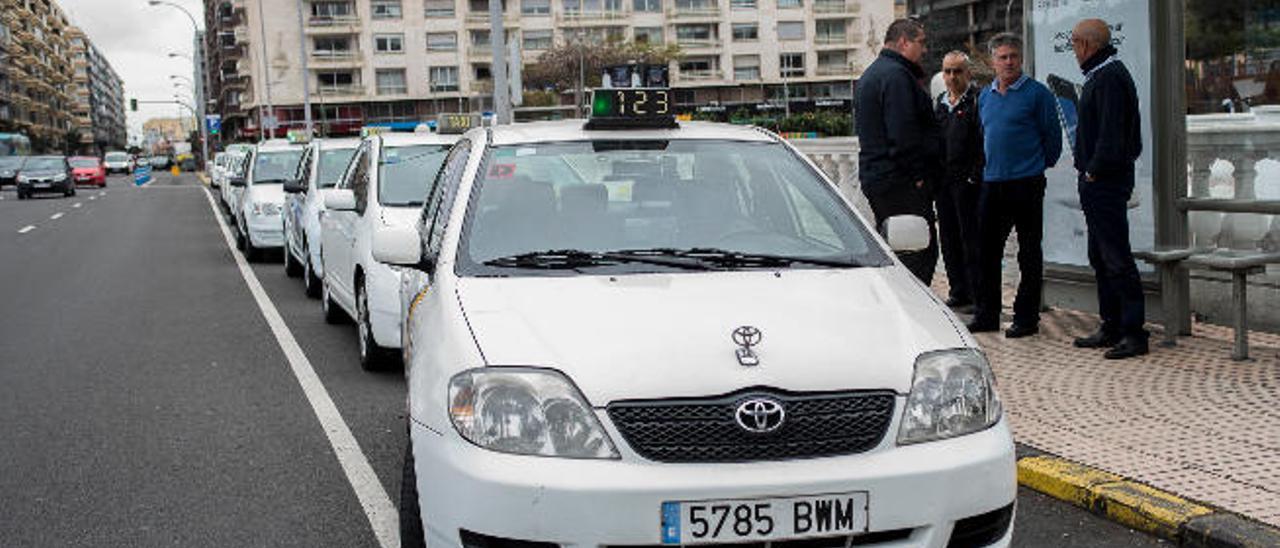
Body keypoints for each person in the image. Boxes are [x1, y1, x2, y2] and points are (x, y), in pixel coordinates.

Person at [970, 32, 1062, 338]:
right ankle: (987, 315)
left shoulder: (1038, 94)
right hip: (992, 184)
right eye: (1002, 57)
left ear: (1021, 59)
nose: (1009, 62)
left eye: (1013, 56)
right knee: (986, 252)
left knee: (1028, 254)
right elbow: (983, 136)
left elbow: (1053, 140)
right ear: (993, 61)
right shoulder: (985, 95)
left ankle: (1026, 319)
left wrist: (1034, 167)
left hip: (1026, 184)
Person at [1070, 19, 1148, 359]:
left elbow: (1112, 134)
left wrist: (1093, 171)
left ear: (1087, 45)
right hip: (1097, 181)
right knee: (1100, 255)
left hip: (1105, 181)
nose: (1073, 50)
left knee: (1116, 257)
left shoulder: (1110, 76)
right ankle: (1111, 324)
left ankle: (1133, 331)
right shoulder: (1100, 74)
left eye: (1074, 44)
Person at [854, 18, 940, 284]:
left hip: (880, 179)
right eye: (921, 43)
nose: (924, 50)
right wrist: (918, 178)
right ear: (904, 42)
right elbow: (903, 134)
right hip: (901, 182)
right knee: (918, 253)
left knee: (897, 250)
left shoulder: (871, 74)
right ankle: (914, 316)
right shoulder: (897, 76)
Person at [934, 51, 984, 311]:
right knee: (949, 238)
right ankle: (958, 290)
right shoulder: (941, 103)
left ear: (968, 73)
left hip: (969, 183)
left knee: (972, 239)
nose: (952, 77)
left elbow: (983, 143)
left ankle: (977, 293)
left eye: (957, 71)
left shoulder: (977, 101)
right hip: (945, 184)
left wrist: (974, 176)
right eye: (948, 71)